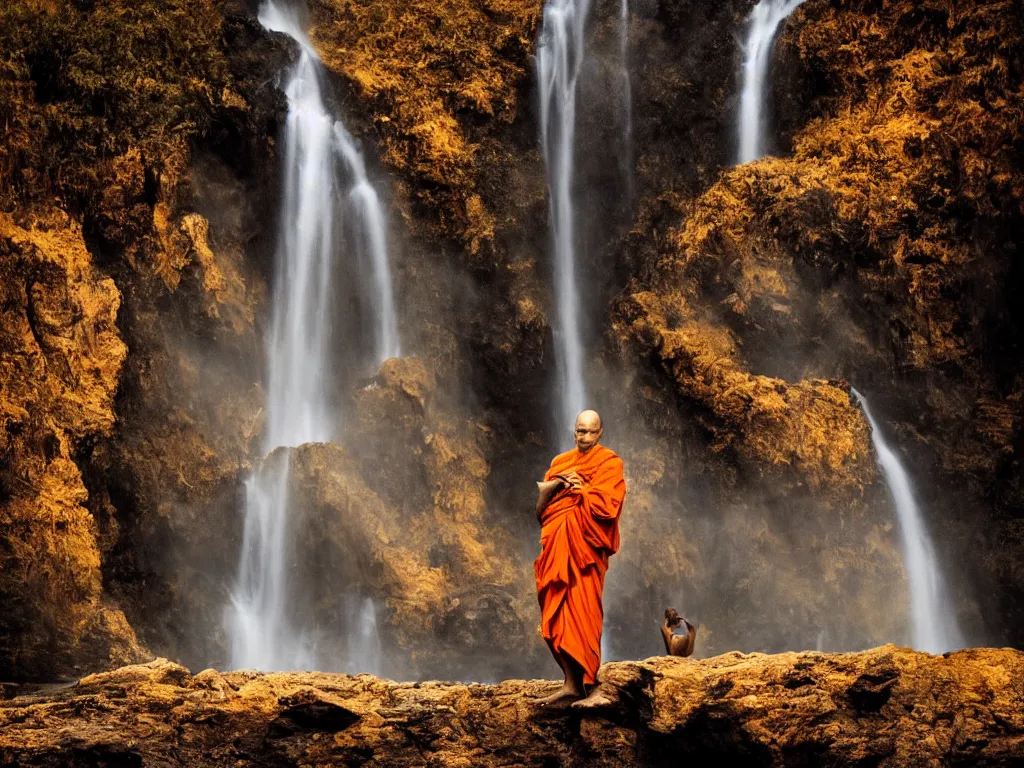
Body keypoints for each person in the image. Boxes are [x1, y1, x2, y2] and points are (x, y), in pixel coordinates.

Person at [532, 409, 626, 708]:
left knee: (583, 613)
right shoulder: (559, 463)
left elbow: (608, 506)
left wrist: (582, 490)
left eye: (590, 431)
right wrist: (559, 486)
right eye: (579, 431)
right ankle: (570, 684)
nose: (584, 437)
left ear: (600, 433)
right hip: (558, 546)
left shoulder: (610, 463)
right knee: (555, 612)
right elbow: (542, 510)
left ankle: (587, 681)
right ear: (574, 432)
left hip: (584, 551)